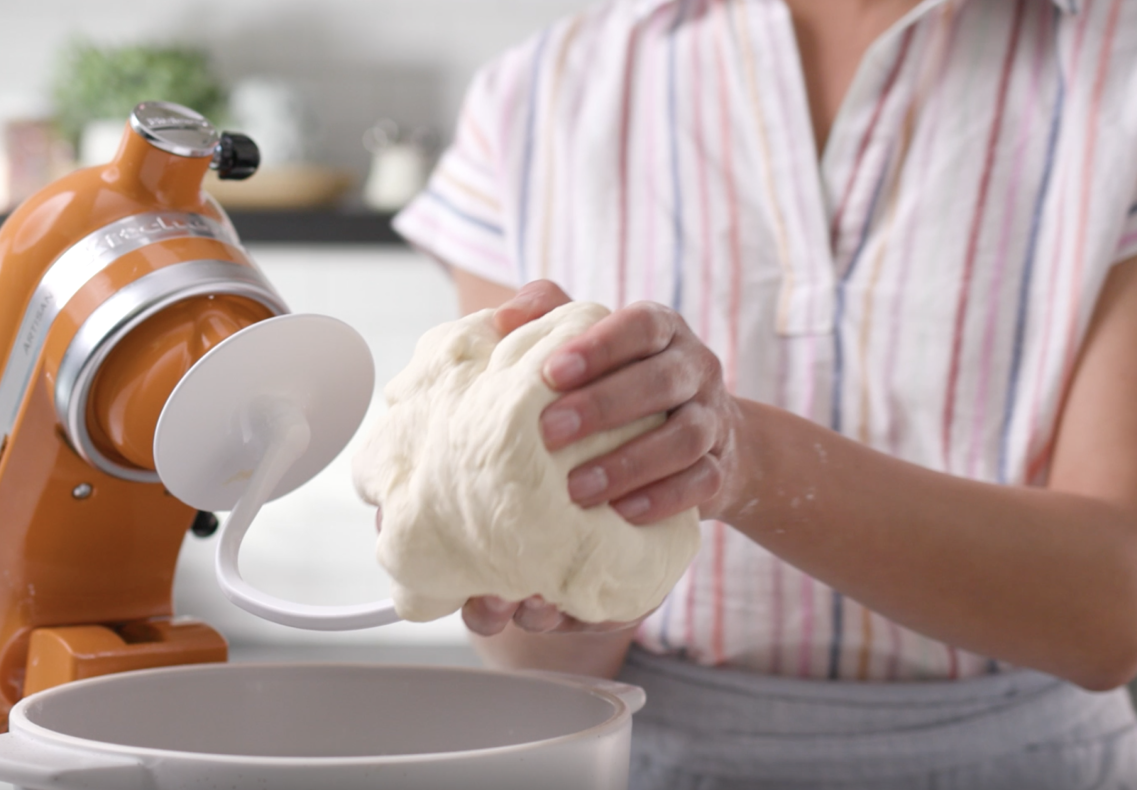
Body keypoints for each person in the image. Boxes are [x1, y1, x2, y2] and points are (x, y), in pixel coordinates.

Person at [391, 0, 1137, 786]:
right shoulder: (535, 95)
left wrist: (747, 462)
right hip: (642, 761)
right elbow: (532, 658)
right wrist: (537, 580)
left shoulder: (1113, 71)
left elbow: (1113, 612)